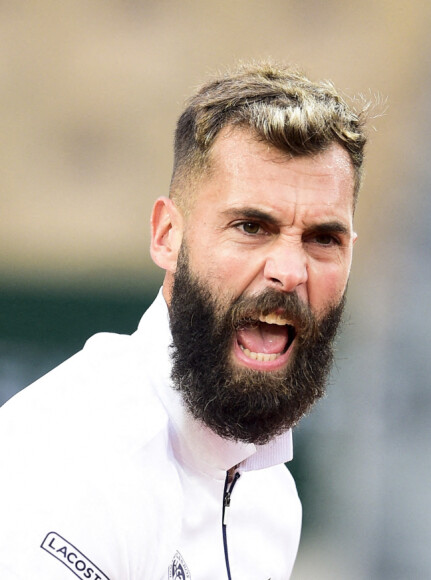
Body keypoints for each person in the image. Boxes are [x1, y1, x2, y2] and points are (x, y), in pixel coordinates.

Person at [0, 61, 367, 579]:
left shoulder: (271, 496)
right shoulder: (69, 467)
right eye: (251, 226)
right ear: (167, 236)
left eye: (323, 239)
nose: (289, 272)